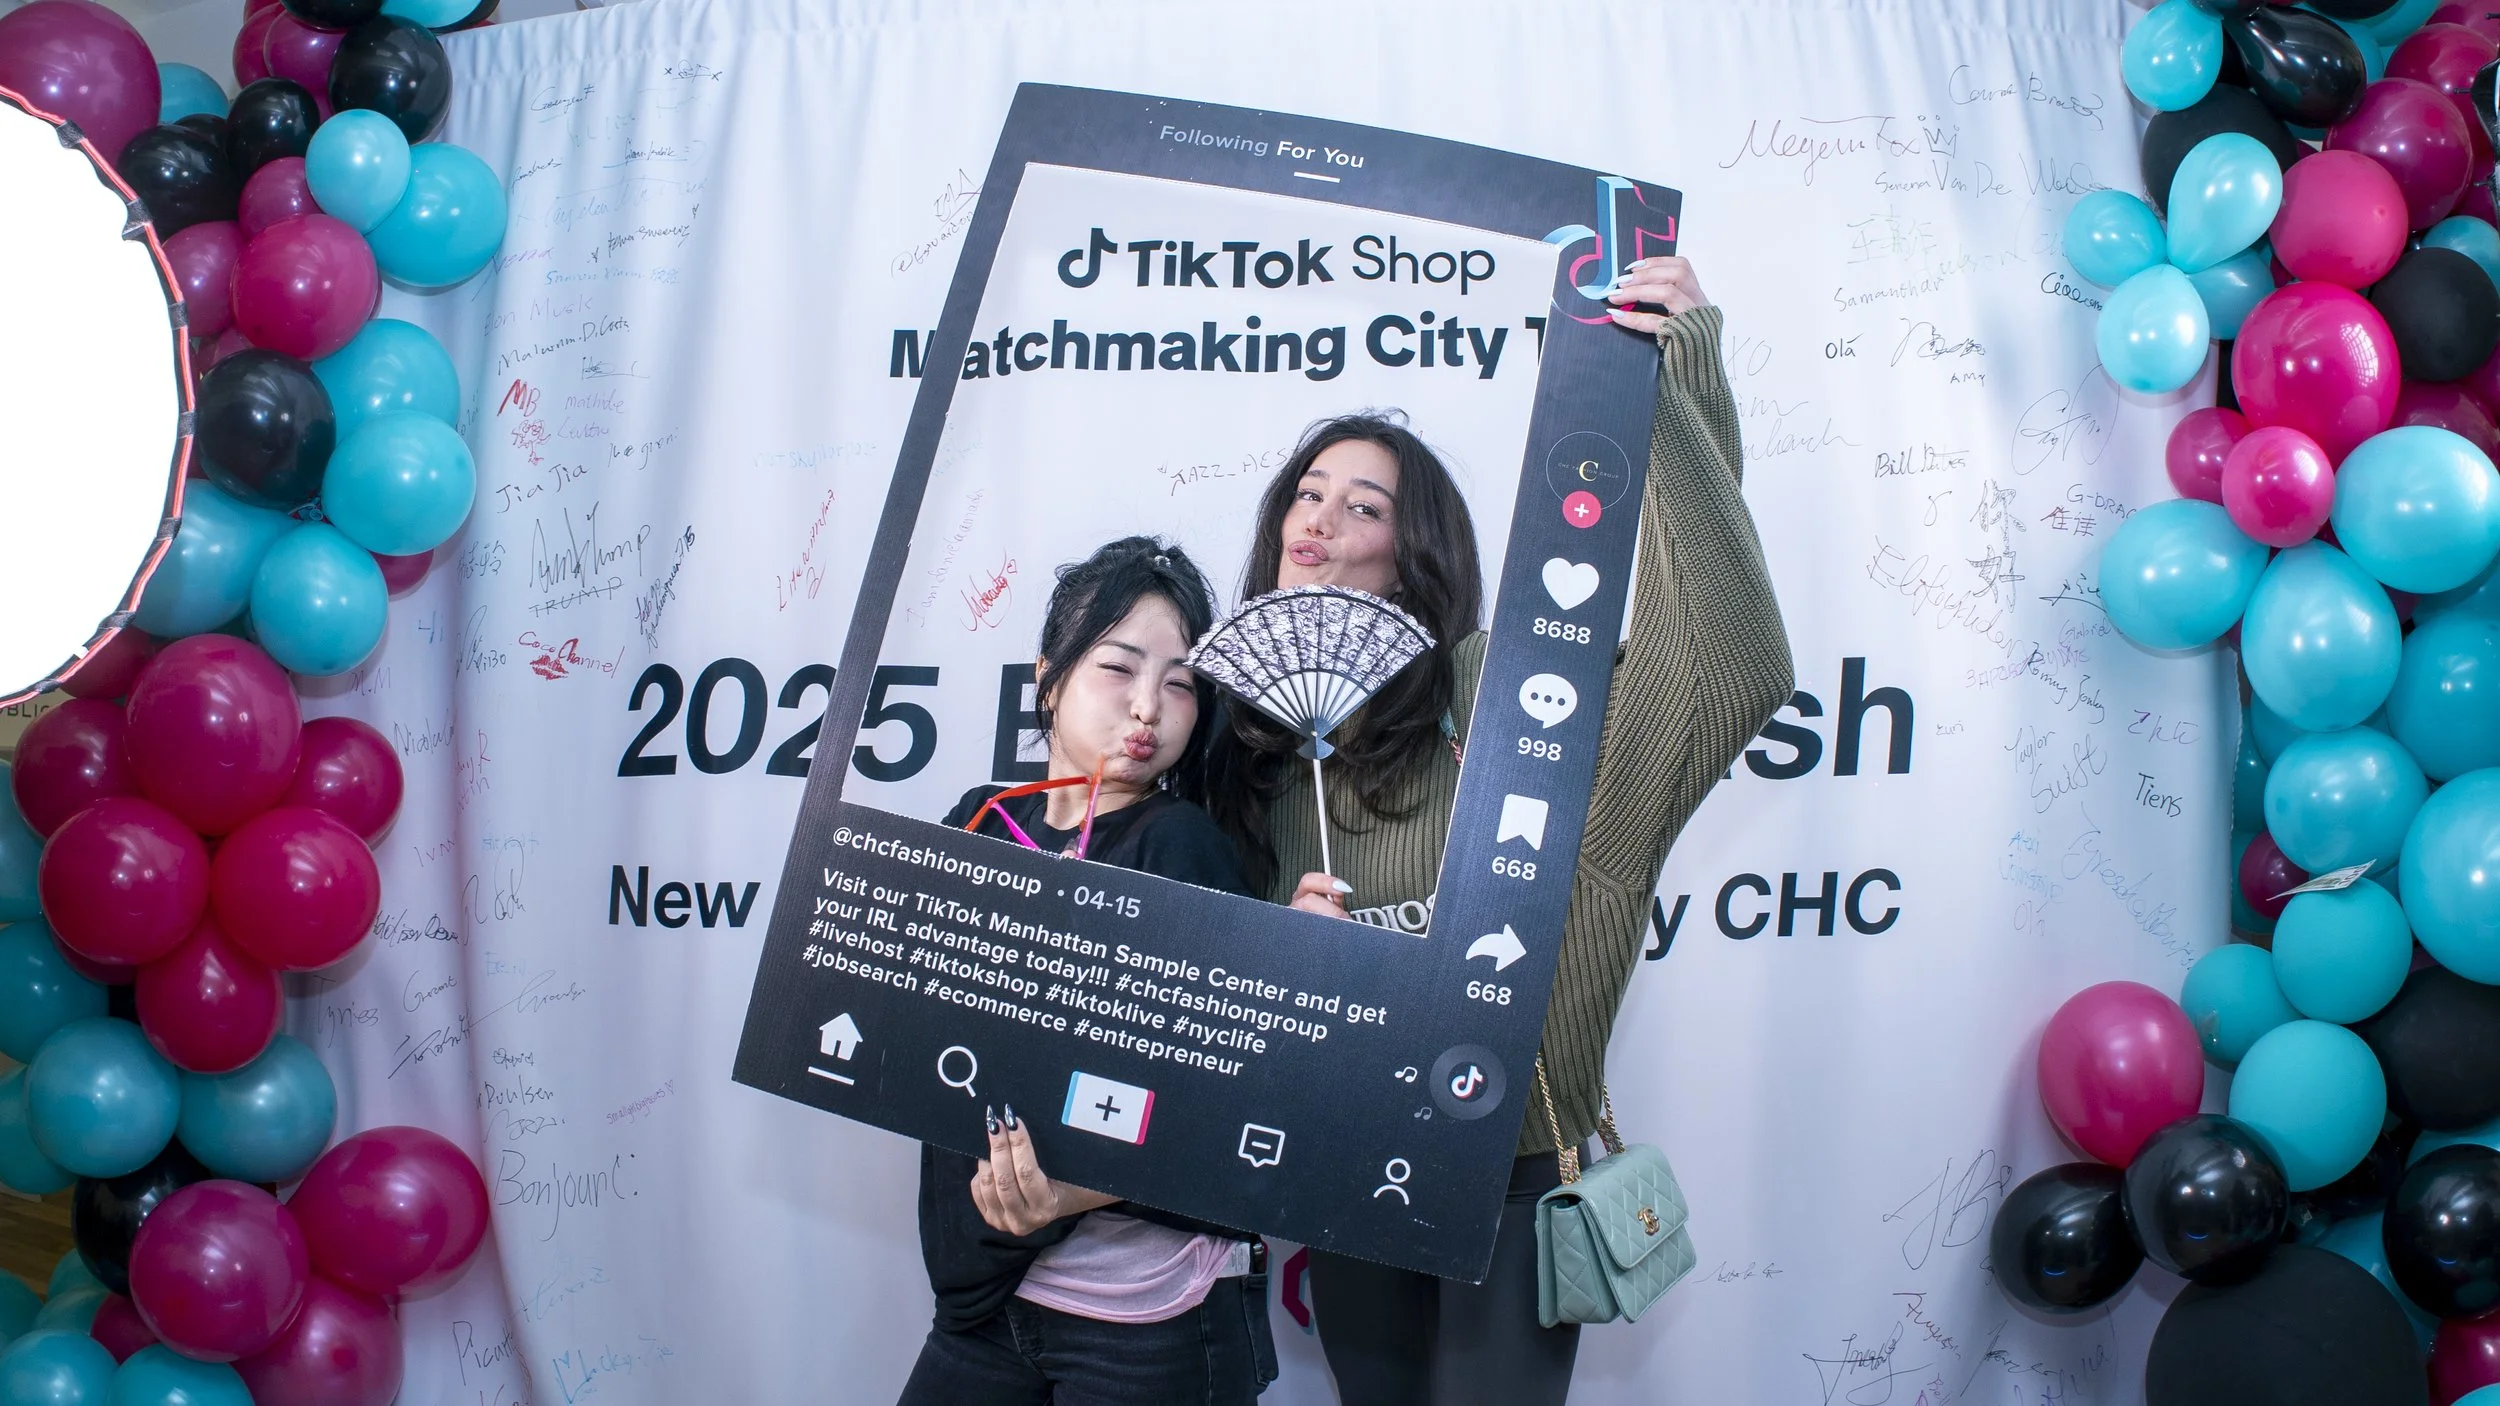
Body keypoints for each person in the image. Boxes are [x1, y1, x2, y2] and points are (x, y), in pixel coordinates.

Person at [1206, 255, 1794, 1405]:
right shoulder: (1250, 742)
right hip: (1341, 1161)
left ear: (1413, 547)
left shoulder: (1495, 688)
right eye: (1307, 490)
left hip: (1511, 1169)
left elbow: (1719, 658)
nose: (1318, 517)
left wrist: (1664, 379)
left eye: (1362, 503)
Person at [899, 536, 1278, 1405]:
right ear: (1049, 676)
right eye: (1120, 667)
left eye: (1180, 683)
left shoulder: (1180, 846)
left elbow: (1220, 1106)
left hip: (1145, 1318)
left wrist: (1065, 1193)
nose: (1149, 706)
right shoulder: (979, 822)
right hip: (986, 1303)